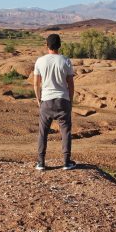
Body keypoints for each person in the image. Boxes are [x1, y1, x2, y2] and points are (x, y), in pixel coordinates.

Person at [33, 33, 76, 170]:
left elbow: (36, 84)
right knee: (65, 131)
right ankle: (66, 162)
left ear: (47, 45)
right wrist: (70, 100)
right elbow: (71, 84)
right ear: (60, 45)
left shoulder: (40, 61)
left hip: (46, 100)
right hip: (63, 100)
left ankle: (41, 162)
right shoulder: (65, 61)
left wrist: (38, 99)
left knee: (43, 132)